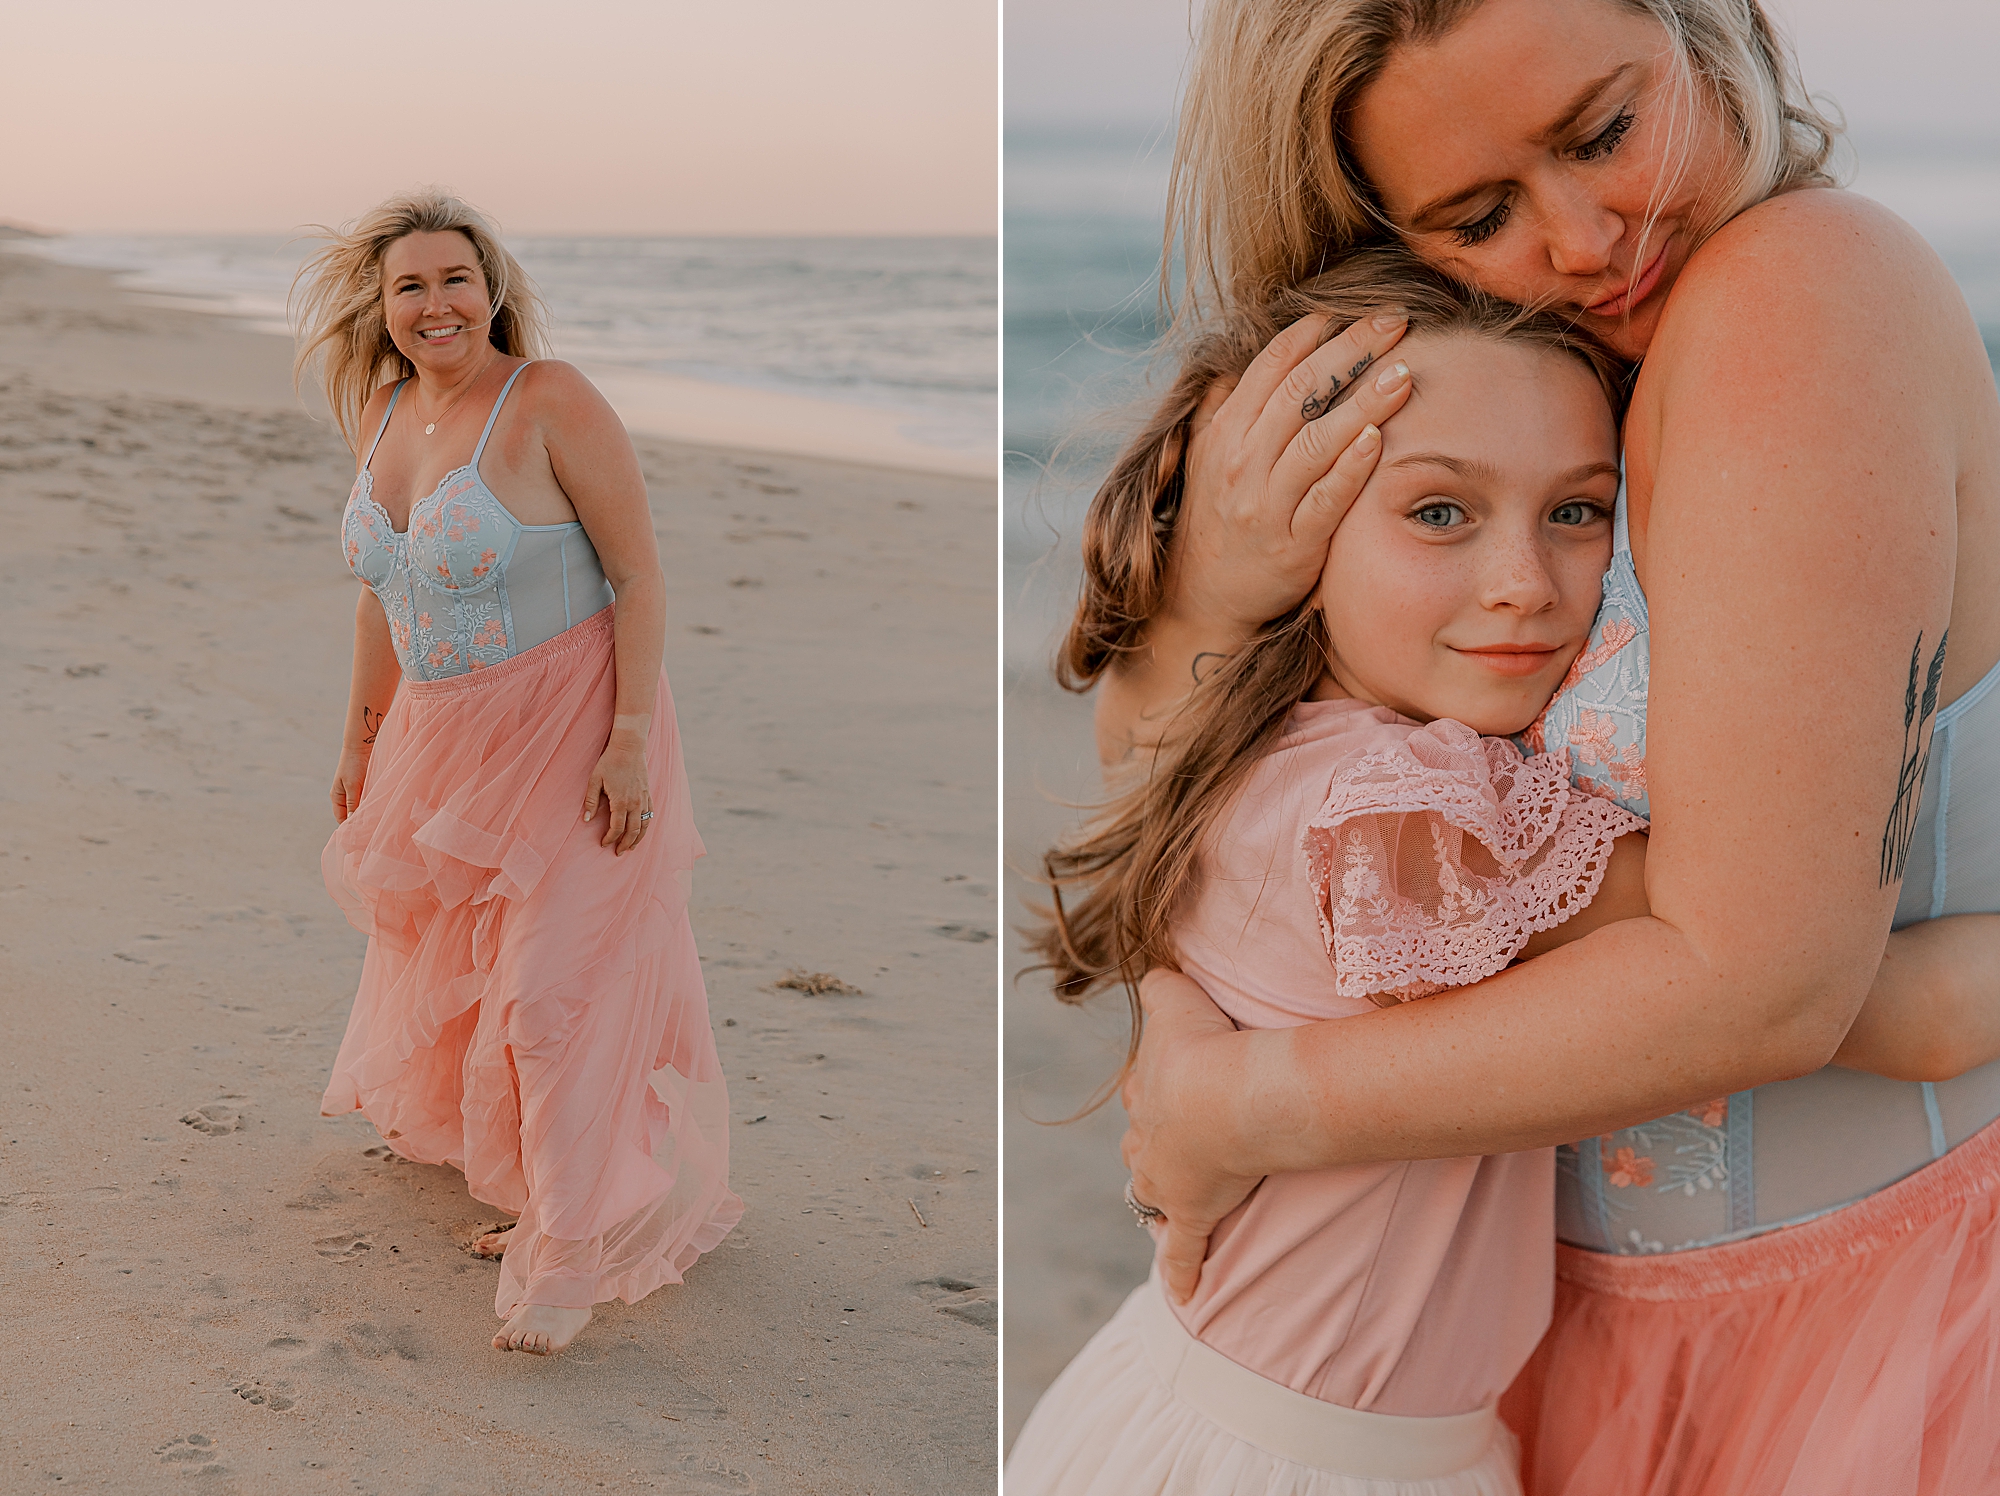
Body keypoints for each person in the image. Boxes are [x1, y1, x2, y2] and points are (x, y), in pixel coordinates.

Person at [1098, 0, 2000, 1488]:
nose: (1585, 240)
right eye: (1478, 212)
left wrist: (1235, 1103)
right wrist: (1216, 586)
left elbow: (1766, 987)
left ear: (1709, 33)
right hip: (1559, 1340)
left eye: (1604, 132)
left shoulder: (1798, 287)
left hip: (1870, 1319)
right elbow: (1176, 781)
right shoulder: (1516, 392)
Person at [295, 191, 742, 1356]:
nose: (434, 303)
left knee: (550, 987)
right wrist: (357, 735)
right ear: (381, 305)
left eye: (454, 279)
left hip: (573, 717)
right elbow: (378, 593)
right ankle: (557, 1191)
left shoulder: (549, 400)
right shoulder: (385, 409)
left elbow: (639, 578)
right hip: (446, 736)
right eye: (409, 285)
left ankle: (571, 1253)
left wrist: (631, 736)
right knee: (486, 972)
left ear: (490, 289)